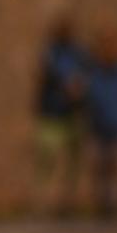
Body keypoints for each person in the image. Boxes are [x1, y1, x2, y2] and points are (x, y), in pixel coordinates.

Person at [32, 14, 86, 217]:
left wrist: (78, 89)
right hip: (51, 114)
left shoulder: (78, 53)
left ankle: (67, 203)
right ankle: (43, 204)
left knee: (72, 163)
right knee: (48, 160)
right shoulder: (51, 52)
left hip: (71, 115)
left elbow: (86, 74)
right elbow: (45, 75)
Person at [84, 26, 117, 219]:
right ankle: (102, 207)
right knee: (100, 171)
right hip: (98, 128)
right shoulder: (93, 73)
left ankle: (115, 207)